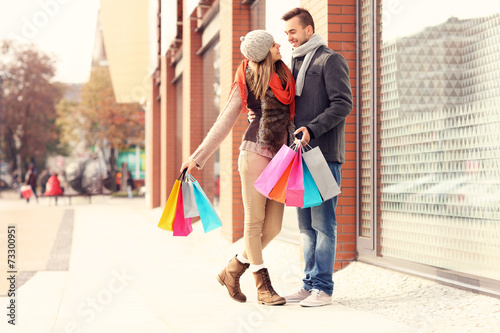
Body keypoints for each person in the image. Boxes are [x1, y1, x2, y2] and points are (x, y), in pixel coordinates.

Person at [180, 30, 296, 306]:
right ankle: (263, 287)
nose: (279, 44)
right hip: (254, 152)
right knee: (254, 222)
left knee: (274, 226)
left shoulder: (285, 75)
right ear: (263, 52)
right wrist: (197, 157)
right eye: (273, 43)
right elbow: (225, 121)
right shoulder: (247, 79)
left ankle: (231, 271)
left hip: (281, 156)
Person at [282, 8, 353, 307]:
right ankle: (309, 283)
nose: (289, 38)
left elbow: (342, 104)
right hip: (299, 158)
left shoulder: (330, 59)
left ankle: (323, 289)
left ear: (309, 30)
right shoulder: (290, 65)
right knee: (305, 226)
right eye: (286, 33)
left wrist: (312, 128)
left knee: (323, 224)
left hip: (324, 156)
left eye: (293, 32)